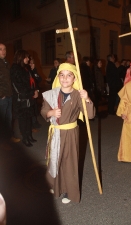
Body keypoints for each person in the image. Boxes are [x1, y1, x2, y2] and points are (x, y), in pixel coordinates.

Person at [41, 63, 95, 204]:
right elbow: (43, 110)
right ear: (58, 77)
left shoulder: (78, 95)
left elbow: (89, 115)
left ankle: (68, 191)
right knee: (55, 160)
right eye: (62, 75)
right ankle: (55, 184)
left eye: (69, 75)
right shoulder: (51, 94)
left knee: (69, 162)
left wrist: (87, 99)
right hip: (56, 133)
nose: (65, 78)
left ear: (74, 79)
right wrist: (51, 112)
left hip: (70, 134)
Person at [10, 50, 38, 147]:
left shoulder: (26, 68)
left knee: (29, 118)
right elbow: (19, 86)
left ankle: (29, 135)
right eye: (26, 57)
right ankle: (25, 138)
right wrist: (31, 92)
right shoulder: (15, 68)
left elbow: (32, 81)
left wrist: (35, 91)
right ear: (21, 57)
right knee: (23, 119)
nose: (28, 59)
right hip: (21, 99)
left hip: (28, 97)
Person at [0, 43, 20, 143]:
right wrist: (1, 94)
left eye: (5, 49)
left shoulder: (6, 62)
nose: (3, 51)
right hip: (2, 97)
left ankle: (9, 137)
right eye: (1, 49)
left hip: (9, 94)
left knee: (9, 118)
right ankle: (4, 142)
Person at [29, 56, 42, 129]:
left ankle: (34, 122)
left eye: (33, 63)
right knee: (31, 109)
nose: (31, 65)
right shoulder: (27, 71)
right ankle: (33, 123)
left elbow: (39, 79)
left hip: (35, 92)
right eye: (30, 63)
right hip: (30, 93)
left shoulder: (34, 71)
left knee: (34, 108)